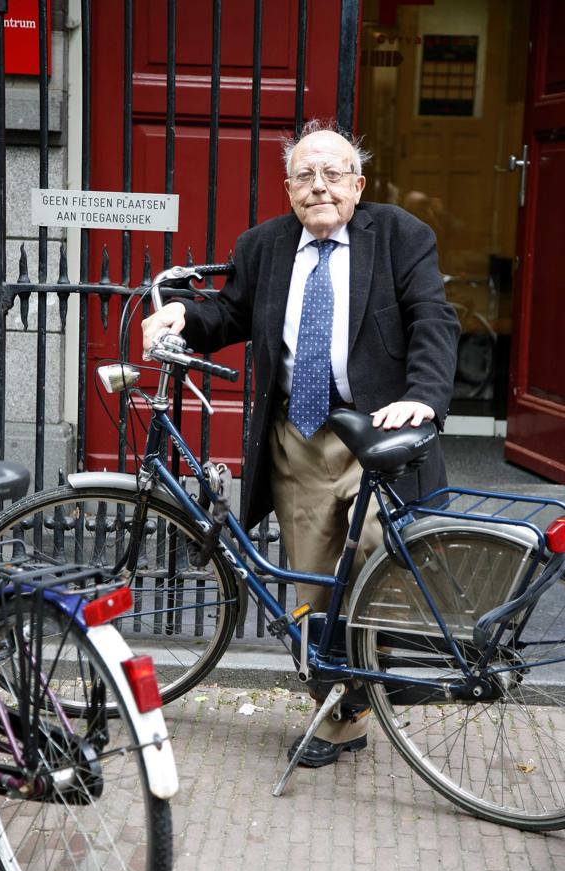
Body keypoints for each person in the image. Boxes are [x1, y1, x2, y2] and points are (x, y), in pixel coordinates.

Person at [142, 120, 460, 767]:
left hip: (375, 431)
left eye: (333, 173)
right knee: (312, 584)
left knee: (376, 552)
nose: (320, 186)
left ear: (357, 184)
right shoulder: (264, 245)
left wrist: (424, 394)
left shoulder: (399, 235)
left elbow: (434, 316)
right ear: (288, 189)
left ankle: (384, 669)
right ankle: (343, 710)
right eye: (304, 176)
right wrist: (184, 315)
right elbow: (229, 312)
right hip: (301, 437)